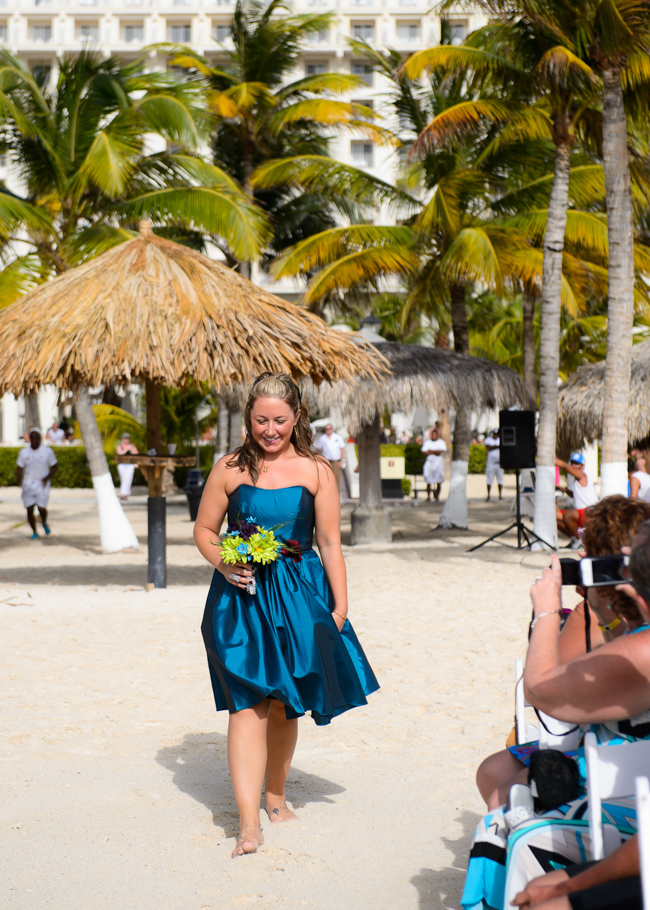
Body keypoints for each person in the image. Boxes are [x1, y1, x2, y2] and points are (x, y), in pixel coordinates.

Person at [193, 372, 379, 858]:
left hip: (299, 595)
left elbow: (331, 542)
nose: (269, 429)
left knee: (284, 703)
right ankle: (248, 824)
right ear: (247, 418)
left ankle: (275, 796)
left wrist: (340, 606)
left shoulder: (318, 470)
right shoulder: (229, 468)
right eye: (260, 420)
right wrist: (224, 560)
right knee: (247, 703)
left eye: (279, 420)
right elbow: (205, 529)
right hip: (242, 596)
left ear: (297, 417)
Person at [462, 497, 650, 910]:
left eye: (588, 561)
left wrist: (546, 611)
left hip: (624, 794)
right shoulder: (613, 624)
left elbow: (541, 691)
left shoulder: (640, 646)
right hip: (611, 770)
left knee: (508, 822)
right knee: (497, 782)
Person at [16, 427, 58, 539]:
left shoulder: (47, 451)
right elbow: (19, 467)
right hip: (28, 484)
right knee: (29, 509)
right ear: (29, 438)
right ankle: (34, 531)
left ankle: (44, 522)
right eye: (32, 437)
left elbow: (54, 466)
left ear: (40, 438)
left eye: (36, 437)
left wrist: (47, 477)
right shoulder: (24, 452)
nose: (34, 439)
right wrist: (19, 476)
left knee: (41, 508)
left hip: (42, 484)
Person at [556, 452, 599, 543]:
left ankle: (581, 541)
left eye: (577, 463)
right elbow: (576, 495)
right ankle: (575, 539)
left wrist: (554, 461)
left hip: (590, 512)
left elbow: (565, 467)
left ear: (582, 466)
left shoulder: (582, 475)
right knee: (555, 516)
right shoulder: (578, 480)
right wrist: (562, 488)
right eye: (572, 463)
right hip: (582, 512)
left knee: (567, 515)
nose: (573, 466)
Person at [314, 423, 346, 490]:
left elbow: (342, 450)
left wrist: (341, 461)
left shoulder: (338, 437)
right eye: (326, 429)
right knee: (326, 478)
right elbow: (319, 450)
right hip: (326, 461)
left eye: (329, 428)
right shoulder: (322, 438)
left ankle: (337, 495)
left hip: (336, 461)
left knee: (336, 478)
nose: (328, 430)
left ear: (332, 429)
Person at [421, 426, 447, 502]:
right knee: (428, 480)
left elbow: (441, 451)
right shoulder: (428, 442)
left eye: (435, 435)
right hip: (429, 463)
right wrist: (435, 452)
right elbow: (423, 451)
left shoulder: (441, 442)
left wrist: (430, 451)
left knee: (438, 481)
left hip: (438, 464)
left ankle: (437, 497)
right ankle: (428, 496)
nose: (434, 436)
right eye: (432, 435)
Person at [116, 433, 139, 500]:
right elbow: (120, 453)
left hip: (130, 465)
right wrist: (127, 448)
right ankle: (123, 494)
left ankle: (126, 494)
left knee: (128, 479)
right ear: (122, 439)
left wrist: (131, 448)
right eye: (125, 438)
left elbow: (136, 454)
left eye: (127, 438)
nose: (126, 440)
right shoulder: (119, 446)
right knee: (123, 479)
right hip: (122, 465)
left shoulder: (132, 446)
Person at [485, 428, 504, 501]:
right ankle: (488, 495)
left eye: (497, 434)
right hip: (491, 463)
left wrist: (494, 447)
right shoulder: (488, 440)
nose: (495, 435)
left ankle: (500, 495)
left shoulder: (500, 440)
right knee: (489, 479)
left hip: (499, 463)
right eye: (494, 434)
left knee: (500, 480)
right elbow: (488, 447)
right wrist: (498, 446)